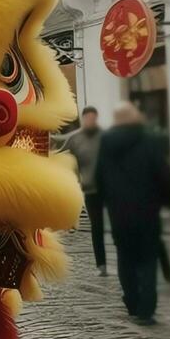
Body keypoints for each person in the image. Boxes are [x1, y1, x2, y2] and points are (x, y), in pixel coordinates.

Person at [96, 102, 170, 326]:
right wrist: (166, 199)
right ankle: (146, 310)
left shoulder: (106, 142)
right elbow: (165, 174)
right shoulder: (148, 139)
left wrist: (106, 202)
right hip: (147, 210)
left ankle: (132, 302)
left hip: (119, 213)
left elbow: (99, 176)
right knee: (147, 259)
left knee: (125, 258)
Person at [60, 106, 107, 276]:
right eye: (88, 118)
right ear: (83, 119)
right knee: (97, 227)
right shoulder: (75, 139)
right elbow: (66, 159)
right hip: (90, 189)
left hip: (110, 188)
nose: (91, 121)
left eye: (93, 118)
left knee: (119, 224)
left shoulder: (106, 137)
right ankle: (101, 264)